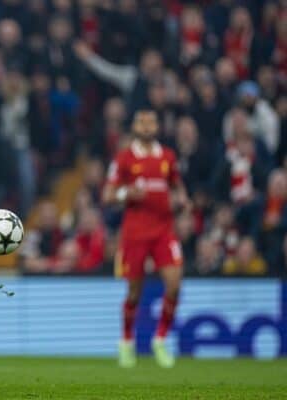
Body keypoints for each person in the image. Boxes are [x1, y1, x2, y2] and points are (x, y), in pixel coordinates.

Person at [102, 110, 190, 369]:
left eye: (152, 122)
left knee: (174, 284)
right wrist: (125, 193)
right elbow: (107, 195)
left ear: (158, 126)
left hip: (164, 229)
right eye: (142, 122)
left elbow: (176, 185)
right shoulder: (124, 158)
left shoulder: (167, 156)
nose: (148, 126)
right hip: (136, 232)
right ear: (134, 126)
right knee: (134, 292)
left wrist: (182, 198)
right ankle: (126, 341)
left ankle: (160, 339)